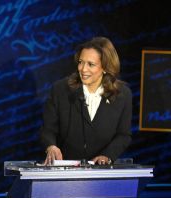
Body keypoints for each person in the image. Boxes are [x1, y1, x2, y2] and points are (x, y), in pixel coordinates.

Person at [41, 37, 132, 166]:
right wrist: (51, 146)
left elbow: (124, 135)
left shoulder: (122, 95)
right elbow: (47, 130)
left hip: (102, 172)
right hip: (64, 170)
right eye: (80, 62)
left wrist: (107, 156)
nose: (83, 69)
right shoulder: (60, 90)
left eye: (91, 64)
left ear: (105, 67)